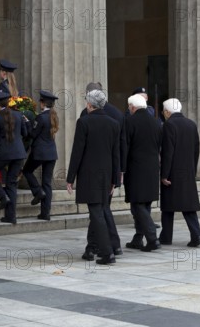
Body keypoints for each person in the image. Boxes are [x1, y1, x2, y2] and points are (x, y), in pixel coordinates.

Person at [67, 89, 121, 265]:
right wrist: (115, 179)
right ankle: (95, 247)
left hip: (89, 175)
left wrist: (70, 178)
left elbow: (77, 152)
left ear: (90, 104)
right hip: (105, 175)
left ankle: (107, 252)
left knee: (96, 212)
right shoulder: (113, 123)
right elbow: (116, 155)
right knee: (99, 211)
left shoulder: (84, 122)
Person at [80, 82, 124, 257]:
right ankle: (113, 245)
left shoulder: (87, 115)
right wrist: (119, 173)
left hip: (92, 172)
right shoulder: (118, 115)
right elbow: (122, 146)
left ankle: (95, 247)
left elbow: (81, 147)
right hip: (110, 171)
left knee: (98, 210)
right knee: (103, 208)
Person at [159, 98, 200, 247]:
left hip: (173, 172)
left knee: (167, 207)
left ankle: (166, 236)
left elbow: (167, 152)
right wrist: (193, 169)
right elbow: (197, 150)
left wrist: (164, 174)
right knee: (188, 206)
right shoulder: (191, 124)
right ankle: (196, 234)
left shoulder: (169, 125)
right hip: (188, 171)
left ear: (167, 112)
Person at [123, 94, 162, 252]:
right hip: (152, 168)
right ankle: (138, 238)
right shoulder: (156, 122)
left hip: (136, 168)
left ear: (132, 107)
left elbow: (125, 146)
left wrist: (121, 168)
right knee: (145, 203)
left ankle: (152, 238)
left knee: (138, 203)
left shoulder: (129, 121)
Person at [0, 91, 30, 224]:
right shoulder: (18, 114)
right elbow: (25, 133)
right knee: (11, 183)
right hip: (18, 153)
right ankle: (11, 216)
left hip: (4, 153)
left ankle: (3, 196)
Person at [22, 90, 59, 221]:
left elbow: (32, 134)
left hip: (40, 152)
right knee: (47, 183)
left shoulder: (41, 117)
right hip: (51, 153)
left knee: (27, 171)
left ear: (43, 103)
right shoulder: (53, 116)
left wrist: (27, 122)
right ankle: (45, 213)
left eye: (40, 102)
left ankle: (38, 192)